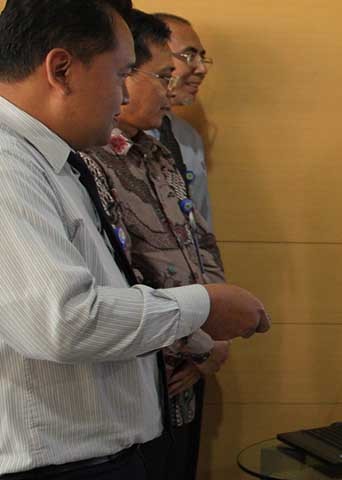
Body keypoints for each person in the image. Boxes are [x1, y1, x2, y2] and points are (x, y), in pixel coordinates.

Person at [0, 1, 270, 478]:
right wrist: (202, 306)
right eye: (122, 73)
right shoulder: (8, 162)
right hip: (59, 464)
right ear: (61, 70)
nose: (124, 96)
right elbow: (64, 322)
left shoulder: (50, 157)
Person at [78, 10, 224, 479]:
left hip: (186, 370)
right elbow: (121, 272)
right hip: (134, 381)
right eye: (163, 76)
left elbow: (199, 244)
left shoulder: (159, 153)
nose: (170, 89)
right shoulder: (87, 159)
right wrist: (196, 335)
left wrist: (212, 340)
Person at [150, 12, 215, 230]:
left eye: (202, 57)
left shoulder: (187, 137)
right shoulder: (107, 137)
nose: (202, 69)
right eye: (189, 56)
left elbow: (201, 222)